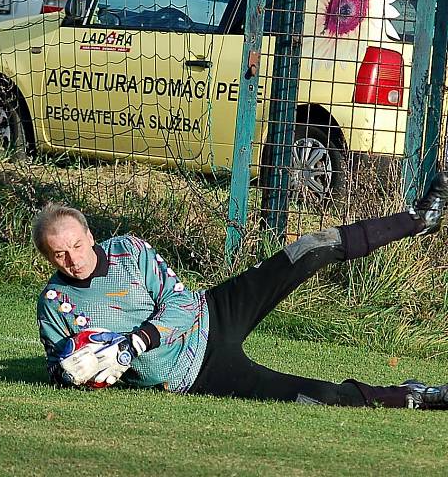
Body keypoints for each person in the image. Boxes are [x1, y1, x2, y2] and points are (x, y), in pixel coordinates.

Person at [34, 173, 448, 409]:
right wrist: (72, 372)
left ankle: (418, 219)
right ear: (48, 259)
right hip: (196, 376)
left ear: (90, 235)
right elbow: (58, 366)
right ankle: (416, 396)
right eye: (59, 255)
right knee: (315, 397)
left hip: (213, 312)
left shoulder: (129, 249)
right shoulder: (55, 304)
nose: (73, 258)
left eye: (76, 244)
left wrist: (133, 345)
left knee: (306, 249)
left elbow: (179, 303)